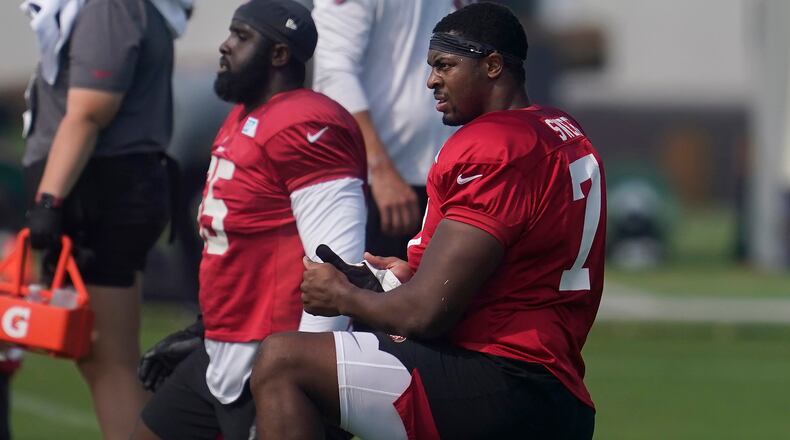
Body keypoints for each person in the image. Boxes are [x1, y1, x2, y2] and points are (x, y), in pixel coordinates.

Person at [250, 3, 606, 439]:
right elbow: (514, 268)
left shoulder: (495, 145)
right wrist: (403, 279)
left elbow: (425, 315)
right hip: (552, 384)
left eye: (445, 65)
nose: (431, 80)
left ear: (492, 65)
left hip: (502, 382)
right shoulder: (559, 127)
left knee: (282, 361)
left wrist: (342, 295)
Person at [132, 1, 368, 439]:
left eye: (242, 36)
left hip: (272, 353)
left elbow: (336, 259)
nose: (225, 45)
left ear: (279, 54)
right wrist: (207, 327)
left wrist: (304, 369)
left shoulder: (306, 121)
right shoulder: (244, 116)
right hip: (225, 342)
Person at [20, 1, 192, 438]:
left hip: (98, 191)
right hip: (103, 188)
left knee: (107, 357)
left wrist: (48, 201)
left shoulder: (109, 6)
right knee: (102, 357)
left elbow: (93, 107)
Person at [311, 0, 464, 260]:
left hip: (453, 178)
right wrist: (379, 168)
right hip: (377, 186)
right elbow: (333, 73)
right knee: (365, 294)